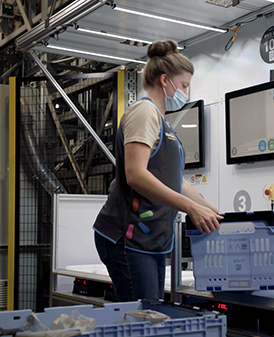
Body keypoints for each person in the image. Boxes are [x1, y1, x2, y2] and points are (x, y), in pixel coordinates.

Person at [92, 40, 223, 301]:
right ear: (165, 80)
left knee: (149, 314)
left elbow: (176, 182)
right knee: (143, 318)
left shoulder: (164, 124)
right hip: (127, 237)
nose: (186, 91)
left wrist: (211, 210)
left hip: (148, 240)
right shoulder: (144, 113)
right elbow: (136, 174)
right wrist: (190, 208)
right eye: (184, 85)